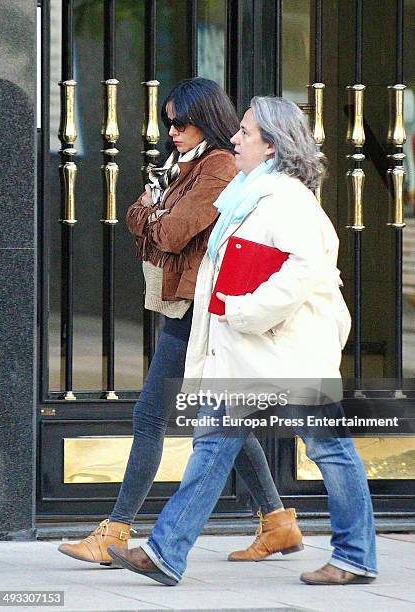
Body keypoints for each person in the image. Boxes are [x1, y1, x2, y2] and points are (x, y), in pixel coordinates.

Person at [107, 96, 378, 586]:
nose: (235, 137)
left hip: (288, 353)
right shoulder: (249, 195)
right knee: (211, 448)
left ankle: (355, 556)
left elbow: (301, 272)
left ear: (271, 146)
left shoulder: (287, 200)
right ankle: (167, 553)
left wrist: (241, 313)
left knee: (329, 449)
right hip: (245, 351)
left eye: (246, 133)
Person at [58, 80, 302, 566]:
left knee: (152, 413)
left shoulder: (217, 168)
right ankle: (277, 522)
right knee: (225, 418)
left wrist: (153, 210)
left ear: (207, 120)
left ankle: (116, 530)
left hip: (198, 305)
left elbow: (168, 231)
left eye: (181, 122)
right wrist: (152, 211)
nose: (172, 131)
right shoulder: (187, 164)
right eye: (169, 121)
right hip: (189, 302)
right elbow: (137, 216)